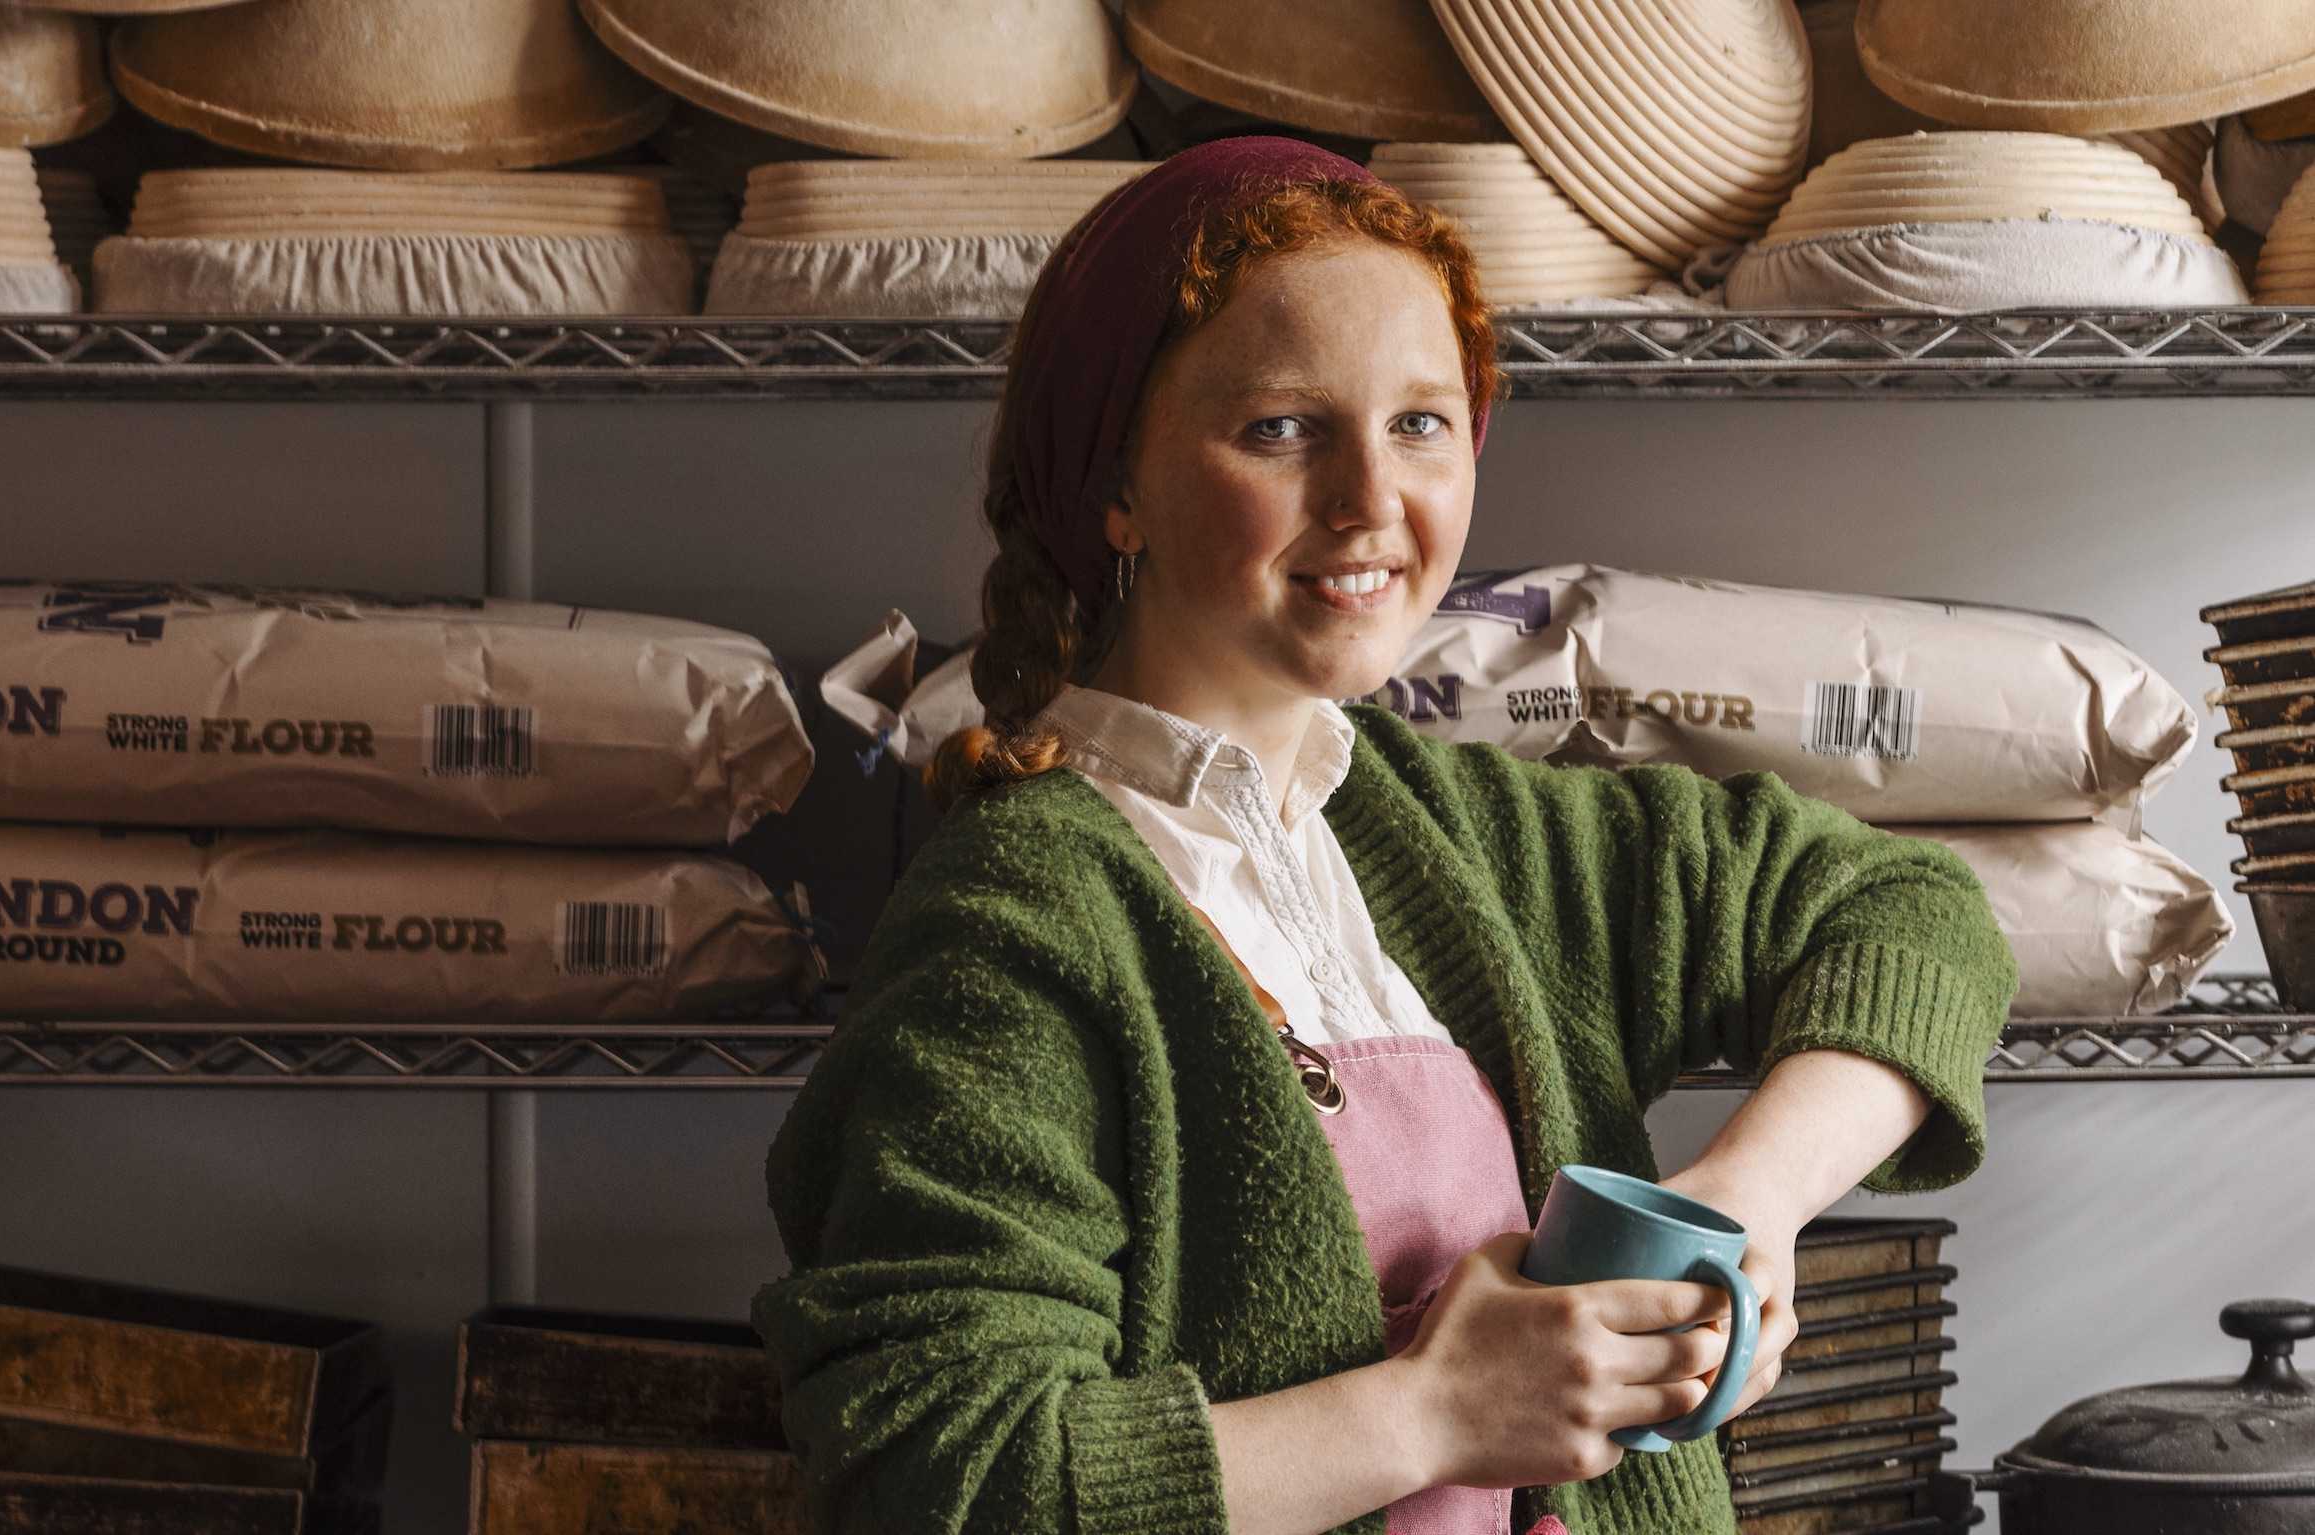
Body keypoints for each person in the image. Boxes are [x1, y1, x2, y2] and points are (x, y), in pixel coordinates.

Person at [754, 137, 2017, 1535]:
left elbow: (1904, 907)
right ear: (1113, 482)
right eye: (1283, 429)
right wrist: (1431, 1411)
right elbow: (943, 1474)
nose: (1372, 502)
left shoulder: (1459, 836)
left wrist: (1748, 1199)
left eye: (1420, 422)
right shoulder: (1017, 925)